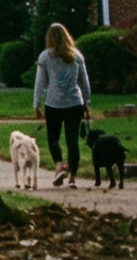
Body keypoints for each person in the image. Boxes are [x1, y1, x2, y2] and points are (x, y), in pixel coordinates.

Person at [34, 22, 93, 186]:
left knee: (53, 138)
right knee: (72, 140)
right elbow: (84, 82)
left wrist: (36, 103)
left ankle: (60, 165)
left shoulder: (45, 57)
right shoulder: (76, 56)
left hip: (53, 103)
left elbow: (40, 82)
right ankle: (73, 176)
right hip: (74, 103)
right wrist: (86, 102)